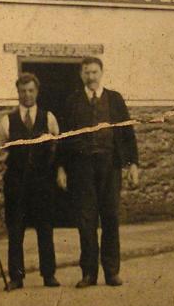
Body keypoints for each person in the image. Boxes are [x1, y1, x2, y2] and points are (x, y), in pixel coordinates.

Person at [59, 56, 139, 288]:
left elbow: (127, 133)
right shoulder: (72, 101)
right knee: (86, 220)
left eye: (94, 72)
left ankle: (112, 272)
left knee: (111, 217)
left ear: (101, 73)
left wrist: (133, 163)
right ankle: (89, 274)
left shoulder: (115, 99)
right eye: (87, 73)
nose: (91, 77)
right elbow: (64, 137)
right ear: (81, 75)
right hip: (81, 167)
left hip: (110, 166)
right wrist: (61, 167)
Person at [0, 72, 61, 289]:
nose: (27, 95)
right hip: (16, 183)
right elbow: (0, 152)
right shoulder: (7, 121)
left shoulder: (48, 117)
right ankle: (16, 277)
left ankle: (49, 275)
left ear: (37, 92)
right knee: (15, 231)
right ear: (17, 93)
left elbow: (56, 145)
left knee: (45, 229)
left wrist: (48, 169)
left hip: (42, 183)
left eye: (31, 90)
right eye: (23, 91)